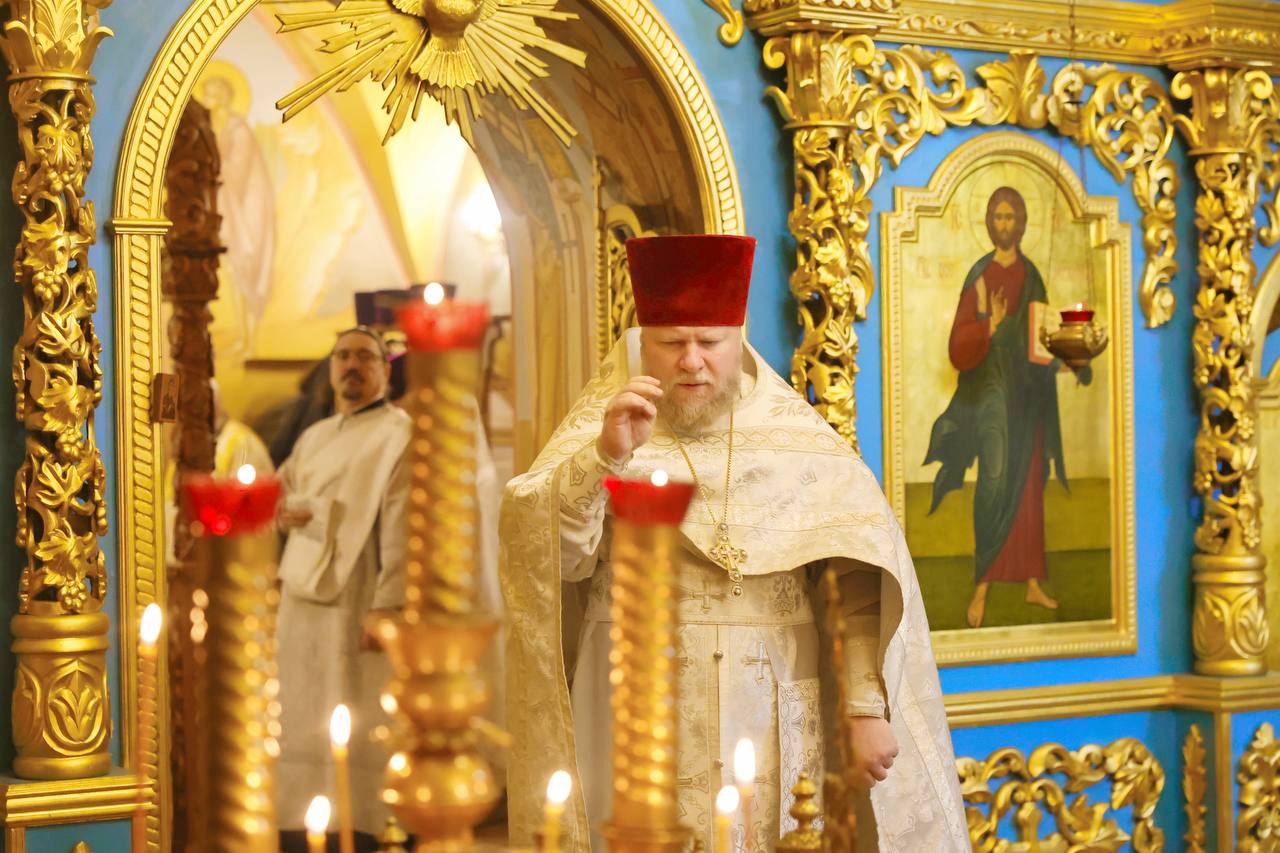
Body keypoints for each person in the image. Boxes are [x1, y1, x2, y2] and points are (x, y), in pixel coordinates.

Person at [501, 235, 968, 851]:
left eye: (710, 342)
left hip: (770, 696)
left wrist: (864, 709)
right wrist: (604, 458)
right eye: (672, 343)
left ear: (738, 339)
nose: (692, 362)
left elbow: (859, 578)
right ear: (642, 343)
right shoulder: (602, 429)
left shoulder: (797, 440)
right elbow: (550, 560)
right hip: (629, 691)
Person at [275, 326, 410, 849]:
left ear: (384, 369)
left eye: (364, 357)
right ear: (331, 368)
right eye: (343, 356)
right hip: (301, 595)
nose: (352, 365)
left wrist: (389, 605)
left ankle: (363, 827)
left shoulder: (399, 433)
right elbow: (280, 496)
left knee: (357, 705)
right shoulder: (314, 436)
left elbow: (401, 524)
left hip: (360, 593)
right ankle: (303, 822)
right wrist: (285, 513)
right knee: (300, 706)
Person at [926, 187, 1074, 629]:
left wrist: (1064, 359)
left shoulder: (1032, 276)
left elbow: (1041, 337)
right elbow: (958, 348)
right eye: (999, 217)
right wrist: (989, 322)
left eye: (1012, 217)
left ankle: (1031, 582)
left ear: (1022, 223)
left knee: (1029, 485)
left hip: (1028, 398)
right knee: (992, 482)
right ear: (990, 223)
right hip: (991, 395)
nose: (1005, 225)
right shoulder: (980, 275)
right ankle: (983, 586)